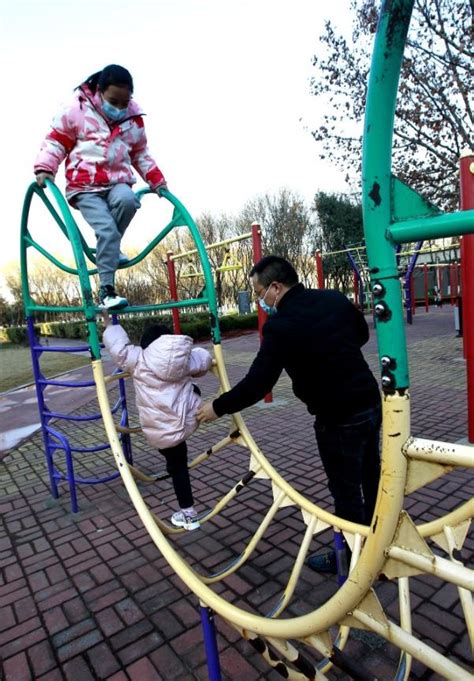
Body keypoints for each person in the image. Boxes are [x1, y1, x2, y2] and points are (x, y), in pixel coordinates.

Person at [197, 255, 382, 572]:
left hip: (337, 418)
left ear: (276, 287)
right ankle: (379, 546)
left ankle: (356, 564)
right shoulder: (333, 298)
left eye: (259, 293)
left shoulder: (280, 327)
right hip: (369, 401)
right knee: (372, 476)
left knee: (346, 491)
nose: (259, 301)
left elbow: (258, 383)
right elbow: (361, 336)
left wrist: (217, 406)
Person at [34, 64, 167, 310]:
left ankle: (110, 250)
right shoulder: (77, 110)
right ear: (100, 91)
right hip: (85, 185)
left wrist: (157, 180)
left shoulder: (133, 120)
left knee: (128, 201)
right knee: (106, 230)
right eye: (113, 101)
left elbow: (141, 154)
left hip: (117, 181)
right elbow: (56, 141)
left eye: (123, 103)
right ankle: (106, 291)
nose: (118, 108)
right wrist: (45, 167)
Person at [102, 312, 213, 530]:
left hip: (160, 432)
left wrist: (109, 324)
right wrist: (196, 353)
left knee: (177, 466)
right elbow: (204, 360)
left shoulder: (139, 359)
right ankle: (185, 503)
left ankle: (189, 514)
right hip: (187, 422)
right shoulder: (184, 359)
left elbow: (120, 349)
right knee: (191, 392)